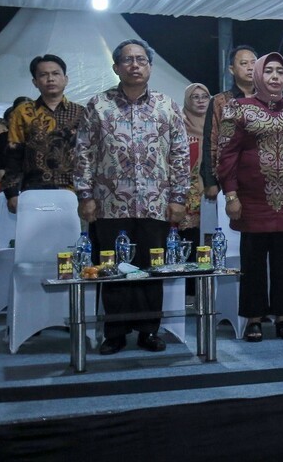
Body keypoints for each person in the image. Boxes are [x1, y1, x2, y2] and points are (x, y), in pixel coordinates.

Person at [75, 39, 190, 355]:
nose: (135, 65)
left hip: (156, 202)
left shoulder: (167, 106)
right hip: (110, 203)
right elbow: (83, 152)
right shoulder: (98, 105)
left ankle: (148, 330)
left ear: (150, 66)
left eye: (141, 59)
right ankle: (114, 333)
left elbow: (180, 154)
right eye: (128, 60)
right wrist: (85, 195)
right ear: (116, 67)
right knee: (112, 267)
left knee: (151, 268)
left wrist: (179, 197)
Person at [216, 53, 283, 342]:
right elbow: (226, 155)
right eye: (269, 71)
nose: (275, 77)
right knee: (253, 261)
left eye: (280, 72)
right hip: (251, 200)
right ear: (258, 75)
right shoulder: (238, 108)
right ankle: (254, 318)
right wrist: (231, 195)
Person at [3, 55, 85, 213]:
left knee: (73, 230)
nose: (50, 79)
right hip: (34, 191)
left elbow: (90, 155)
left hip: (74, 192)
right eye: (43, 75)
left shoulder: (81, 113)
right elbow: (14, 154)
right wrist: (11, 193)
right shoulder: (23, 112)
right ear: (35, 82)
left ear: (66, 79)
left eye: (55, 73)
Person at [201, 45, 257, 202]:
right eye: (244, 63)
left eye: (254, 63)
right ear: (232, 69)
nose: (250, 68)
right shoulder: (220, 101)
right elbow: (210, 141)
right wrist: (210, 181)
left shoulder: (268, 99)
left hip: (262, 176)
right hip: (229, 177)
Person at [177, 84, 210, 246]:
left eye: (205, 97)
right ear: (187, 100)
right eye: (195, 97)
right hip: (187, 193)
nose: (201, 101)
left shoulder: (217, 126)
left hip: (213, 191)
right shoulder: (179, 125)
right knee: (189, 241)